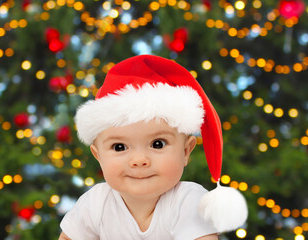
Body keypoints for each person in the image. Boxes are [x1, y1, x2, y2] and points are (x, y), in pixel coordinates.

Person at [59, 55, 247, 240]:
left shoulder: (188, 200)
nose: (139, 160)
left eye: (157, 144)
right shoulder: (96, 203)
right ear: (98, 155)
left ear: (186, 151)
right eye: (119, 147)